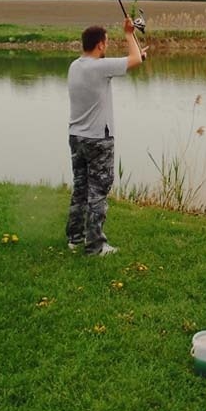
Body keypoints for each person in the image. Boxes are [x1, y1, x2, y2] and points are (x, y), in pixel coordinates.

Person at [66, 16, 144, 255]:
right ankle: (96, 247)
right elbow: (136, 59)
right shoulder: (101, 67)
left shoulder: (75, 66)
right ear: (100, 44)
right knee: (98, 192)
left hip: (76, 137)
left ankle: (75, 238)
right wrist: (130, 34)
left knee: (80, 189)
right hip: (99, 139)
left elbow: (131, 60)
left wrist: (137, 55)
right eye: (106, 43)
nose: (106, 47)